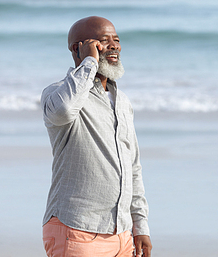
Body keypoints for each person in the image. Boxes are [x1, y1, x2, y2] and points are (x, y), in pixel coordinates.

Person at [40, 16, 152, 257]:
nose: (114, 46)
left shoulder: (122, 101)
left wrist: (140, 225)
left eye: (117, 40)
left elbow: (133, 167)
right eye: (103, 41)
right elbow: (62, 111)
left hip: (122, 235)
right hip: (77, 230)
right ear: (77, 48)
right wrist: (89, 62)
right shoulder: (58, 94)